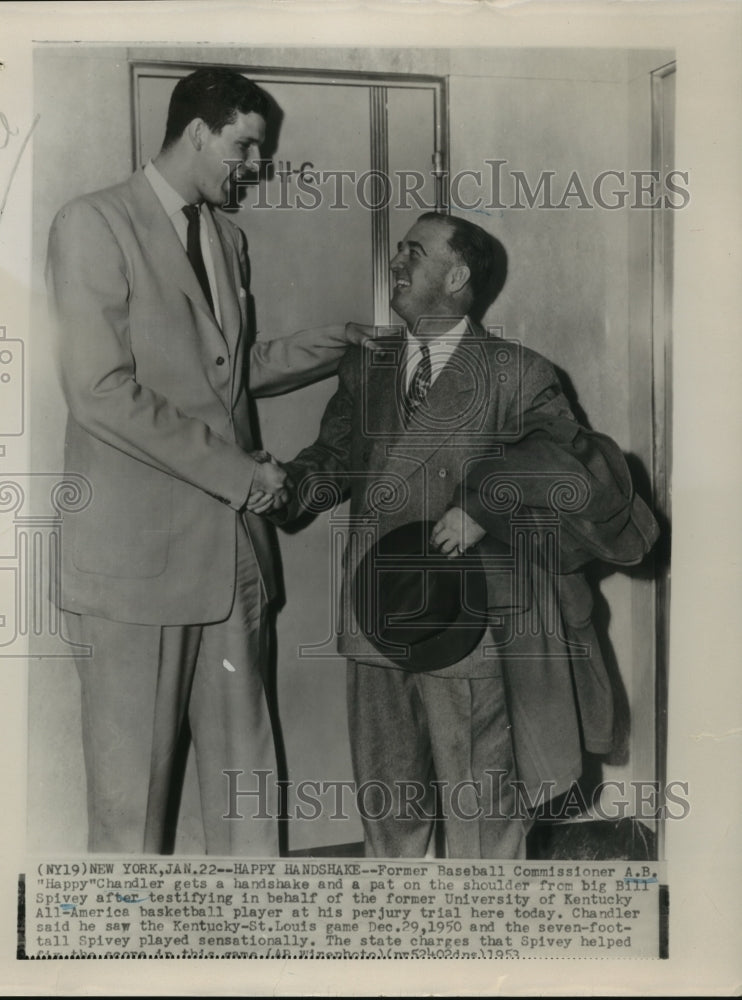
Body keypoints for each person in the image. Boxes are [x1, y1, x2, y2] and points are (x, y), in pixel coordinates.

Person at [45, 67, 372, 855]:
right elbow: (99, 391)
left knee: (247, 784)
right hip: (136, 565)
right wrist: (240, 476)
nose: (256, 166)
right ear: (197, 131)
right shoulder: (93, 224)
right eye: (246, 145)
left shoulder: (226, 237)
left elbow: (224, 367)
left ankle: (250, 956)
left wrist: (333, 346)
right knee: (132, 804)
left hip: (231, 561)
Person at [278, 212, 659, 858]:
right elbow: (334, 462)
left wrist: (486, 502)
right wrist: (279, 487)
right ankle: (401, 943)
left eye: (414, 252)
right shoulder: (367, 368)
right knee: (389, 812)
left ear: (457, 277)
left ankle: (479, 957)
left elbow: (579, 468)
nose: (396, 262)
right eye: (398, 249)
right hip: (378, 614)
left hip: (470, 625)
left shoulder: (516, 372)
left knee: (481, 818)